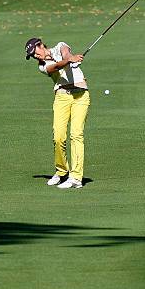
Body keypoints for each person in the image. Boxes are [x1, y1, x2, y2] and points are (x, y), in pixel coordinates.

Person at [25, 37, 91, 189]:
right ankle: (61, 171)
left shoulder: (60, 46)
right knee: (58, 136)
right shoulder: (42, 66)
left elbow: (65, 53)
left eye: (35, 53)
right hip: (62, 98)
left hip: (81, 96)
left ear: (40, 45)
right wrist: (70, 61)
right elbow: (55, 66)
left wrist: (71, 59)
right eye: (32, 56)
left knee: (76, 134)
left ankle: (76, 177)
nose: (35, 57)